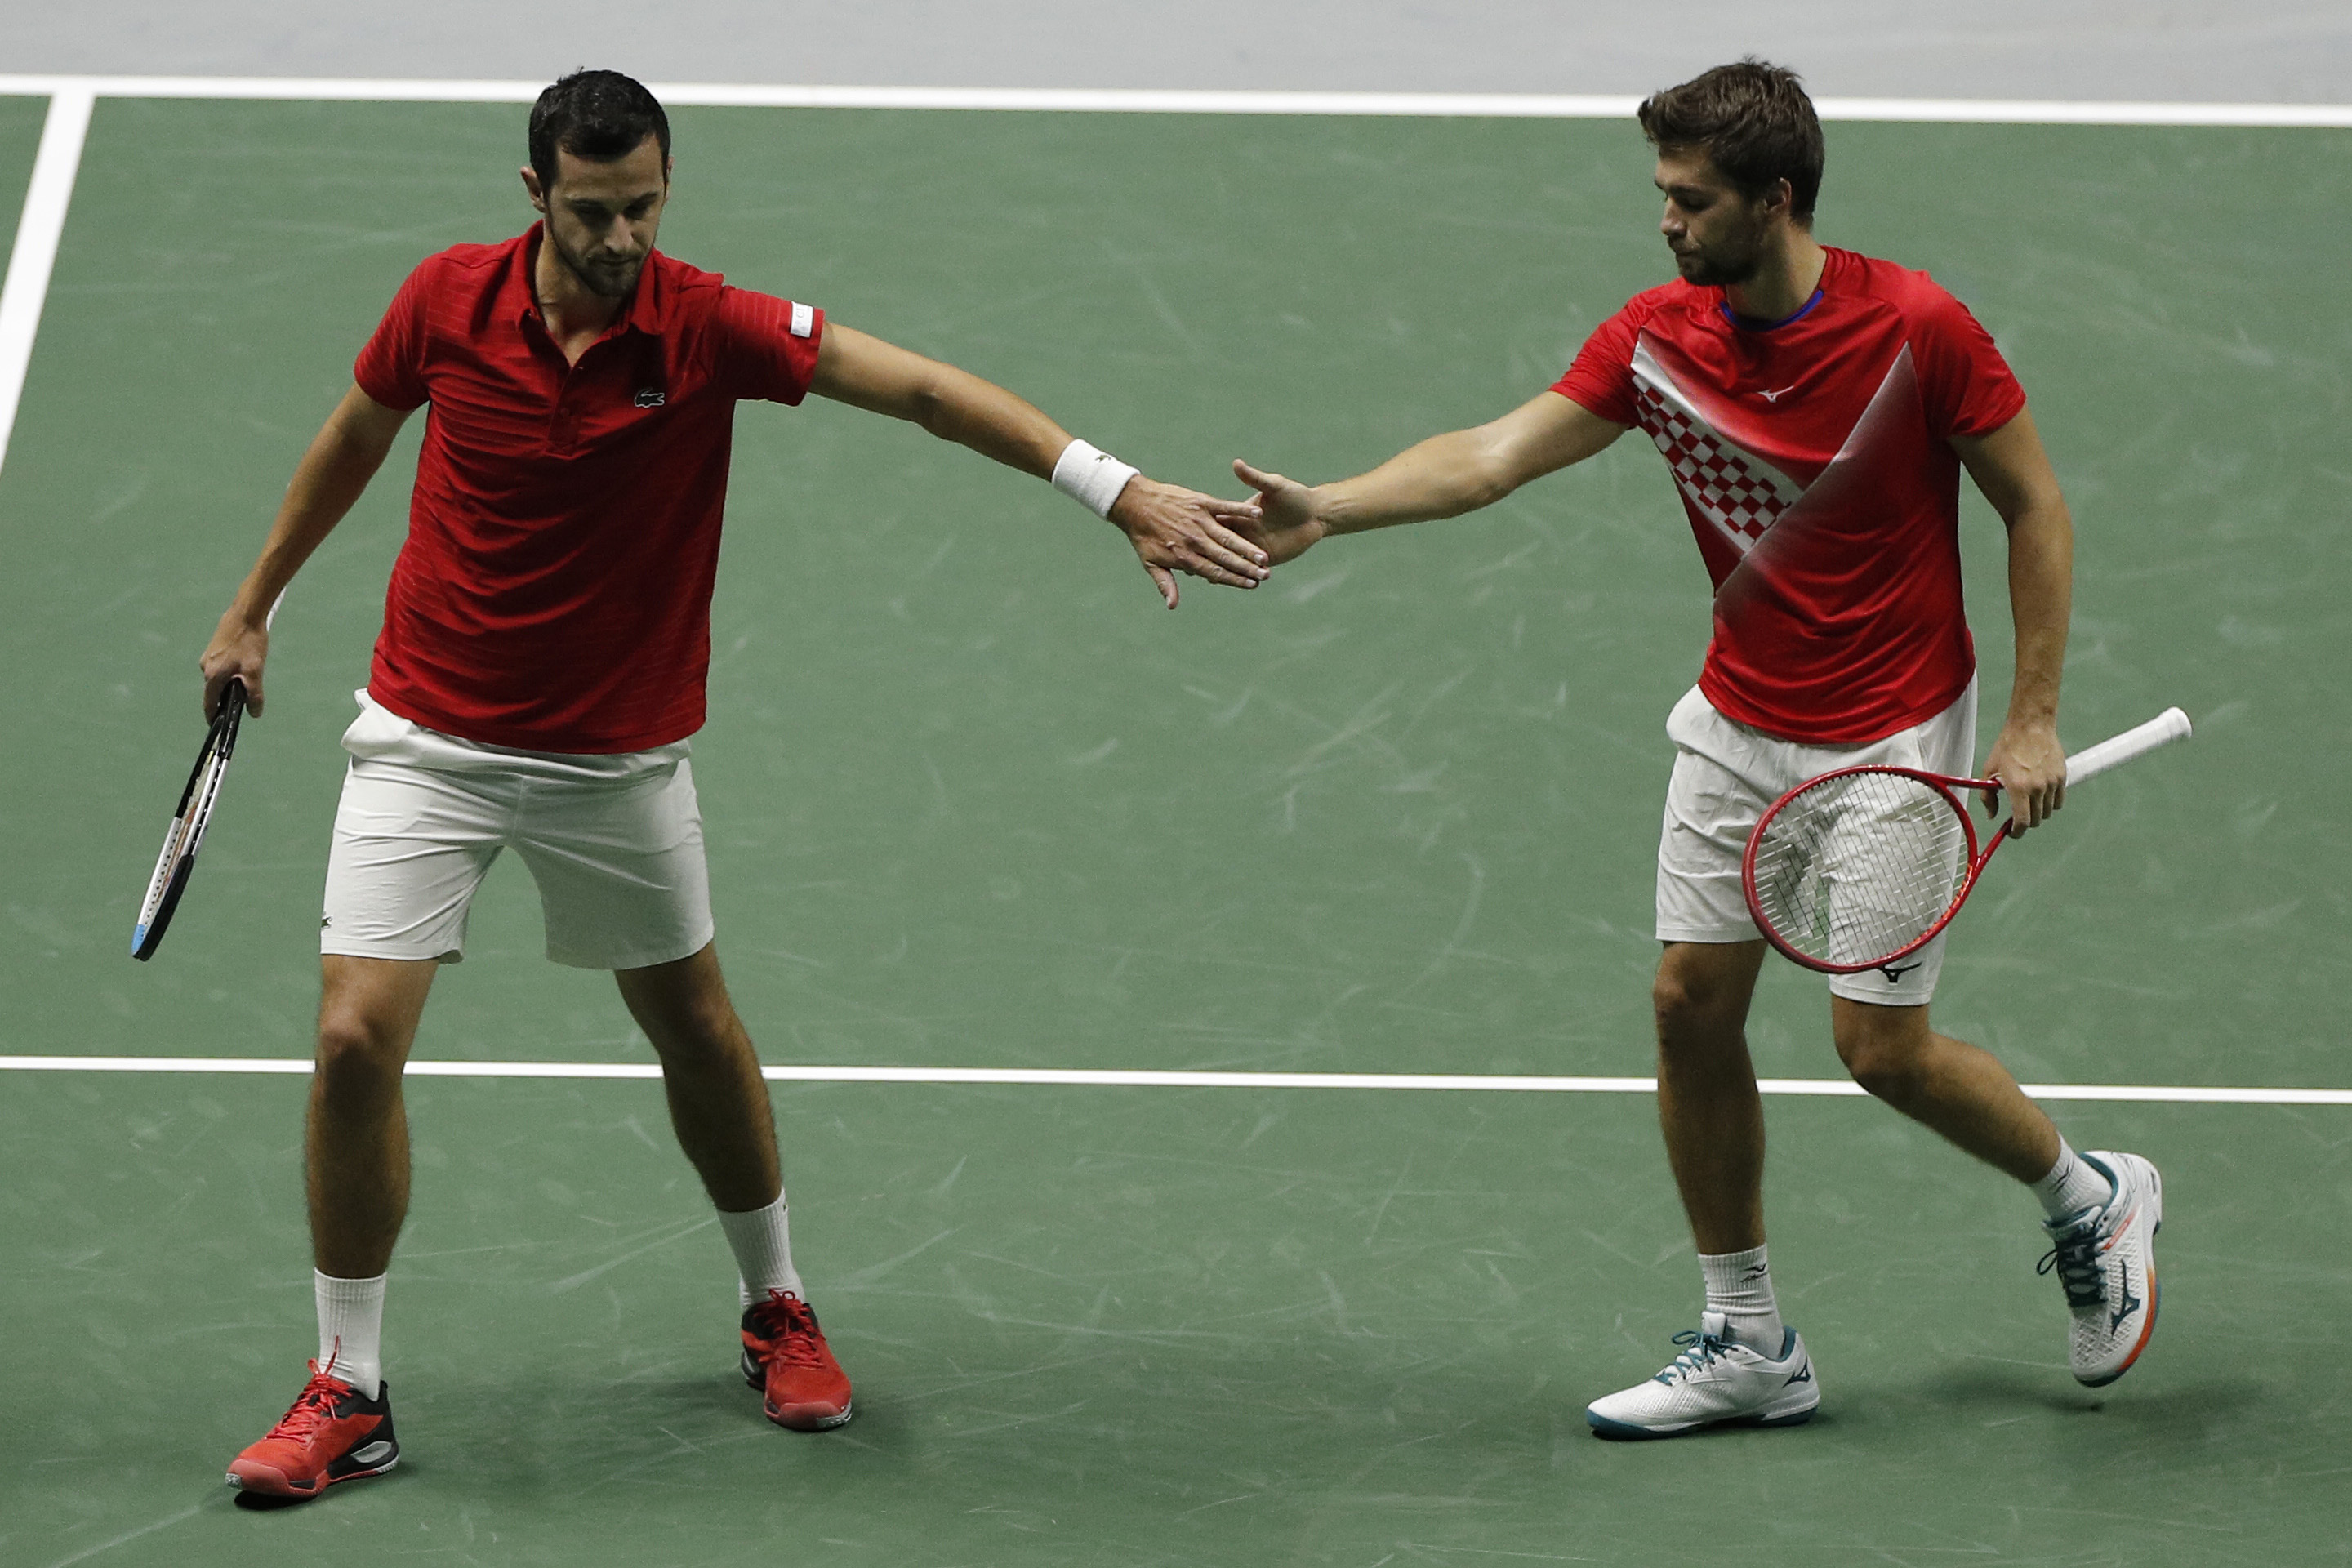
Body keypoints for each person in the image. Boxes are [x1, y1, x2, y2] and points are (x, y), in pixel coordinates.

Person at [200, 69, 1272, 1499]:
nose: (625, 237)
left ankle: (777, 1302)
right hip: (429, 737)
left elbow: (931, 393)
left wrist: (1115, 486)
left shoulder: (707, 325)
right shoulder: (444, 301)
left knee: (694, 1027)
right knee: (349, 1043)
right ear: (536, 196)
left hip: (617, 761)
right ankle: (351, 1385)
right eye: (595, 211)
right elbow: (355, 437)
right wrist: (252, 604)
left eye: (646, 204)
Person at [1223, 60, 2159, 1438]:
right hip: (1738, 721)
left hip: (1898, 732)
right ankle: (1748, 1337)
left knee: (1879, 1052)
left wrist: (2030, 717)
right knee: (1686, 1006)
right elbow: (1493, 454)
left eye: (1690, 198)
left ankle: (2092, 1194)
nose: (1664, 221)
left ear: (1774, 200)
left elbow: (2035, 505)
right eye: (1661, 194)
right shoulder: (1661, 336)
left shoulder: (1918, 328)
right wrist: (1333, 508)